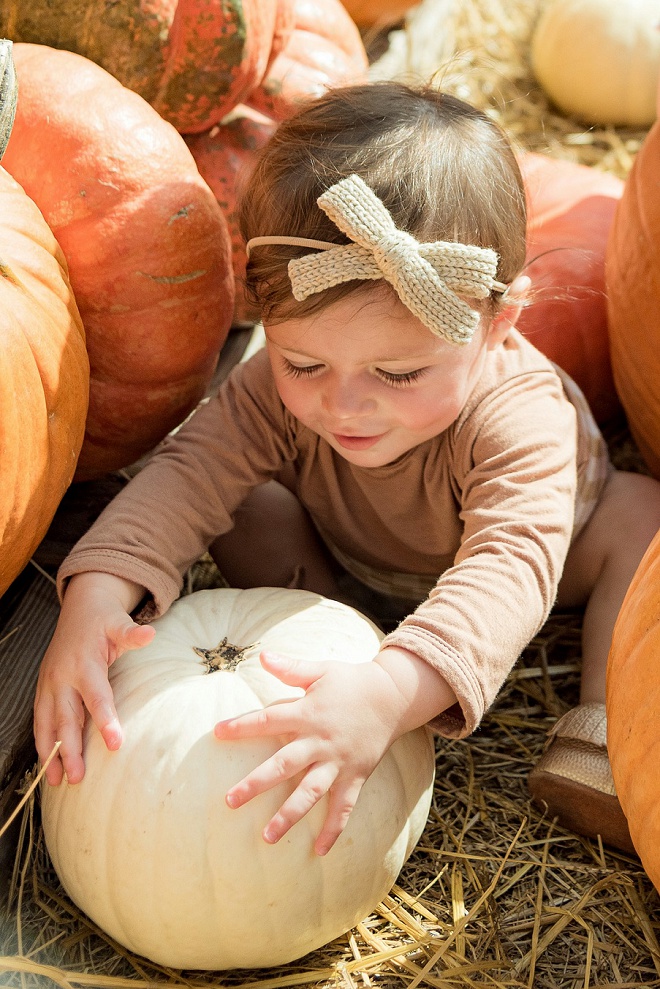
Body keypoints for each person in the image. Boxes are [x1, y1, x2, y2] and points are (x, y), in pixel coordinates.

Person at [34, 81, 660, 857]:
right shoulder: (274, 385)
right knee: (241, 500)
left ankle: (600, 727)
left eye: (398, 374)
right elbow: (190, 471)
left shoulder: (521, 416)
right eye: (304, 361)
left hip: (552, 565)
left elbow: (509, 567)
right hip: (345, 552)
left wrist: (393, 692)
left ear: (500, 323)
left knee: (641, 520)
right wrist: (95, 596)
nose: (345, 405)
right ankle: (330, 643)